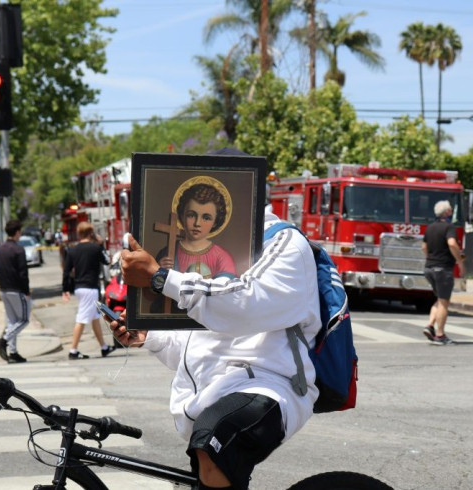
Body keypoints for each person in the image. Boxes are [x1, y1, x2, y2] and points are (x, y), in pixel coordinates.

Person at [109, 207, 322, 490]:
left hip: (270, 384)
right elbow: (200, 345)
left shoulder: (283, 241)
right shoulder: (207, 248)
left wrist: (161, 278)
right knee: (208, 451)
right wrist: (150, 337)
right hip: (212, 396)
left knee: (216, 436)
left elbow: (243, 307)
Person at [153, 180, 237, 313]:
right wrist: (157, 273)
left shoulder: (222, 258)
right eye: (191, 215)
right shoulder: (168, 252)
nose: (197, 223)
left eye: (206, 217)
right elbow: (149, 297)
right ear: (181, 215)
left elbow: (229, 300)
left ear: (216, 221)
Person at [62, 221, 115, 360]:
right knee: (82, 319)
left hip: (79, 287)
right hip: (90, 288)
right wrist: (101, 245)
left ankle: (104, 347)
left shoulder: (72, 250)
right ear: (91, 233)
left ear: (79, 233)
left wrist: (65, 289)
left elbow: (66, 271)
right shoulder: (95, 248)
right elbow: (107, 260)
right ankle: (73, 350)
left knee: (95, 317)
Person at [422, 200, 465, 345]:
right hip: (443, 269)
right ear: (447, 212)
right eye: (450, 210)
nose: (452, 212)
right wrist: (460, 261)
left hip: (429, 268)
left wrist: (431, 258)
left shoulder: (430, 228)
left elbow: (424, 247)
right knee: (444, 302)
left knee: (440, 299)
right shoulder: (449, 227)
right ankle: (440, 335)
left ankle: (430, 326)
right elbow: (452, 244)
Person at [0, 219, 31, 363]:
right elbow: (23, 273)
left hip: (4, 289)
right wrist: (26, 290)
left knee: (12, 321)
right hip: (16, 289)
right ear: (17, 232)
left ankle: (13, 352)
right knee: (24, 320)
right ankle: (3, 340)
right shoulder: (18, 250)